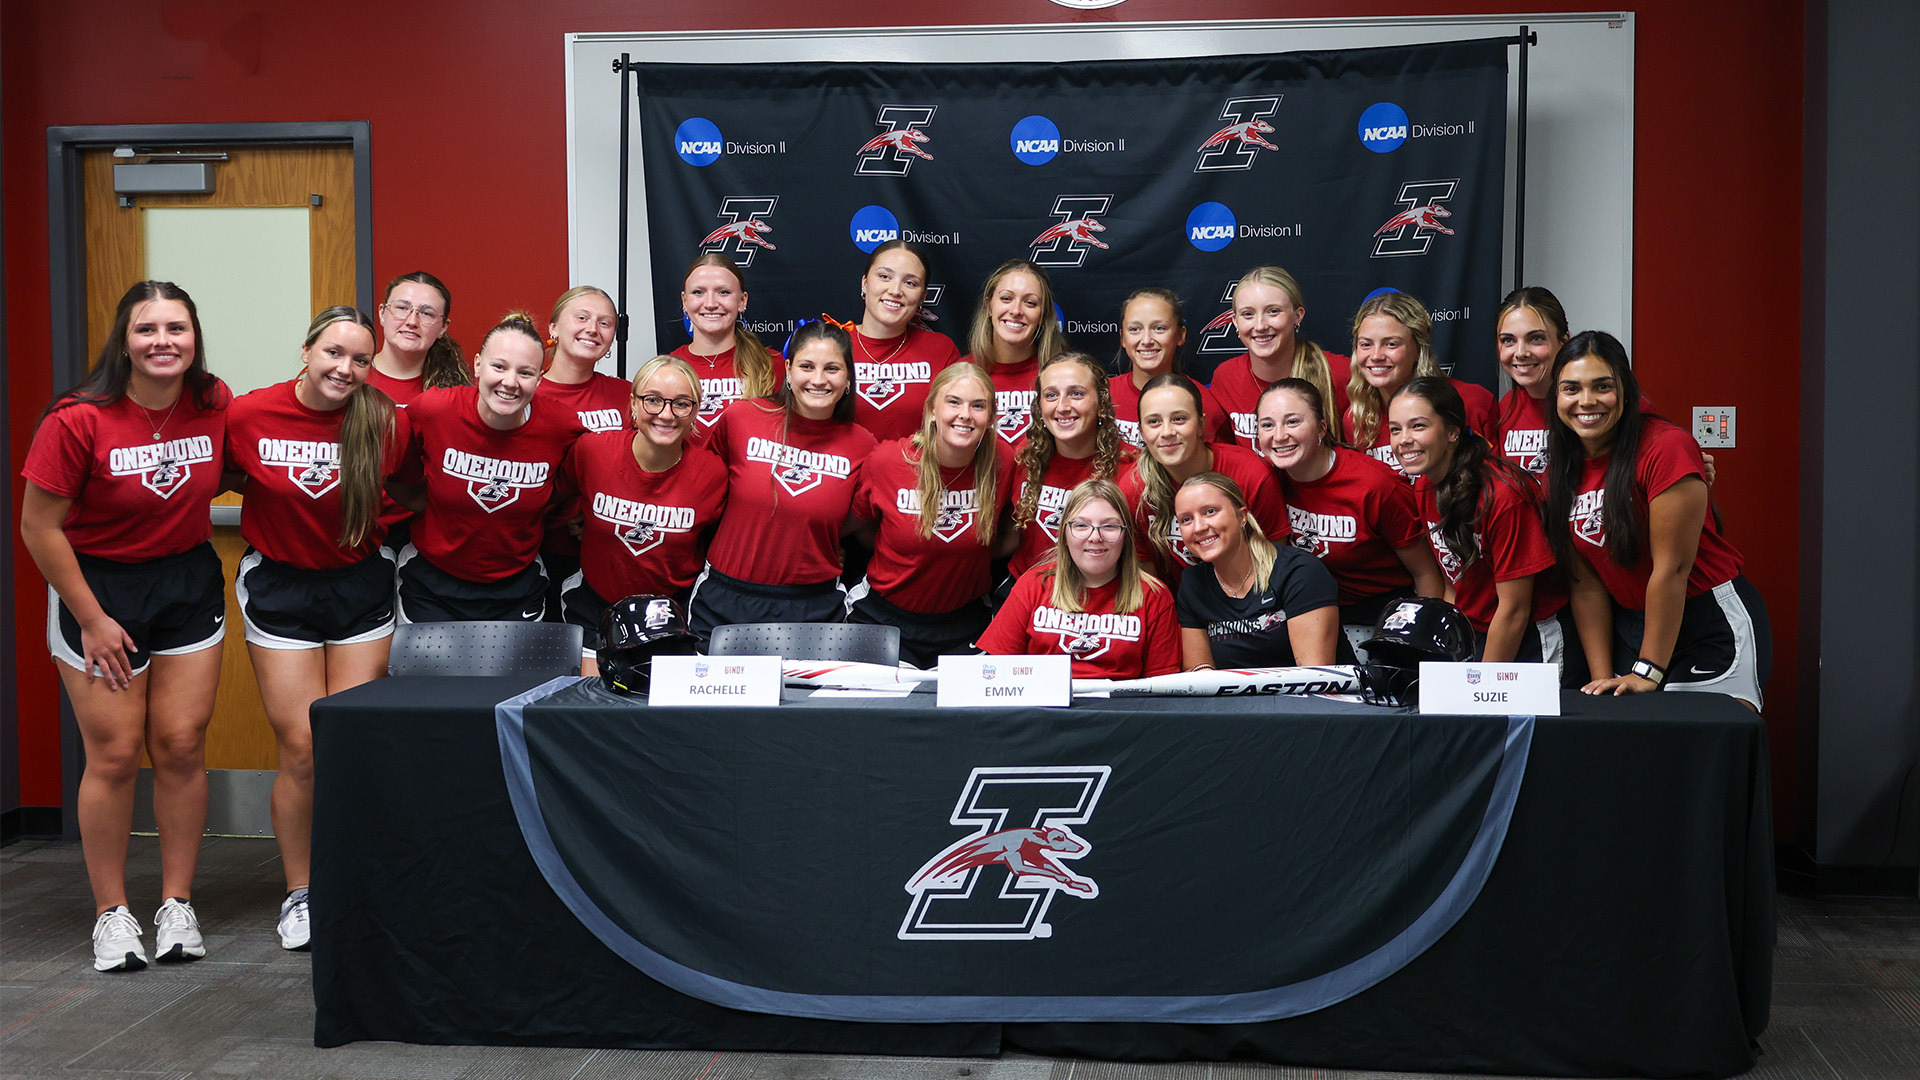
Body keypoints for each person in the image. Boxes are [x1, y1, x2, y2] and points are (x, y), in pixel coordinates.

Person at [20, 281, 231, 971]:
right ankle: (112, 914)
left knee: (178, 744)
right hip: (99, 590)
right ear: (124, 339)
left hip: (186, 582)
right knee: (113, 754)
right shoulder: (77, 418)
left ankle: (177, 904)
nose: (163, 341)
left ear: (195, 336)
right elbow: (38, 526)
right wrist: (92, 618)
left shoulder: (213, 402)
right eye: (148, 329)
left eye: (177, 327)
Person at [224, 307, 407, 951]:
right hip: (281, 587)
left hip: (358, 585)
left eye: (361, 359)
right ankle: (301, 892)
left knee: (352, 740)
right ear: (305, 351)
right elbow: (212, 474)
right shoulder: (248, 415)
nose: (346, 369)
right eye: (334, 353)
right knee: (302, 746)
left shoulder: (383, 420)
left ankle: (357, 881)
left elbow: (410, 487)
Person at [1543, 331, 1769, 708]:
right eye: (1571, 388)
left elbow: (1672, 571)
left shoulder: (1666, 447)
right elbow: (1586, 586)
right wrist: (1601, 678)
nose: (1586, 401)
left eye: (1602, 386)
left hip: (1705, 621)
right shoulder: (1559, 472)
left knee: (1702, 755)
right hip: (1633, 626)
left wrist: (1648, 670)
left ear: (1626, 391)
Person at [392, 313, 586, 622]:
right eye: (499, 367)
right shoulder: (434, 410)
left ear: (539, 378)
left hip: (517, 584)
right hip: (431, 580)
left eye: (525, 373)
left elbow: (582, 476)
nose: (510, 382)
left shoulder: (561, 426)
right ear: (478, 364)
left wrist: (579, 513)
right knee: (425, 672)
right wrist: (418, 499)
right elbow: (394, 467)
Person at [689, 320, 877, 640]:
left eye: (832, 368)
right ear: (788, 371)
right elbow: (702, 490)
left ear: (848, 378)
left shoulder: (863, 445)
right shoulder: (742, 418)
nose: (818, 379)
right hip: (725, 597)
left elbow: (855, 521)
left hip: (812, 606)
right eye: (806, 366)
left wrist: (812, 537)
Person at [558, 355, 727, 674]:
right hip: (594, 605)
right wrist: (581, 517)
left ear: (695, 412)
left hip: (673, 615)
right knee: (594, 706)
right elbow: (550, 498)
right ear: (633, 405)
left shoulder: (712, 473)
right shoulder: (593, 451)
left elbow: (729, 537)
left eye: (681, 403)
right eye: (653, 400)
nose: (666, 414)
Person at [1387, 376, 1571, 668]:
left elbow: (1514, 609)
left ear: (1451, 433)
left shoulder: (1502, 495)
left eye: (1418, 425)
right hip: (1474, 632)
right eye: (1395, 429)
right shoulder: (1424, 485)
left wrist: (1481, 684)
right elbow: (1452, 580)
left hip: (1528, 637)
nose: (1403, 439)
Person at [1254, 378, 1444, 652]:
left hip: (1381, 616)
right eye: (1267, 425)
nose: (1279, 435)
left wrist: (1417, 646)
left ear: (1321, 428)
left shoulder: (1376, 486)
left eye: (1293, 422)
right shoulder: (1266, 481)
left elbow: (1426, 573)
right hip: (1308, 612)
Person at [848, 363, 1011, 667]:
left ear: (990, 418)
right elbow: (857, 527)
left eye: (978, 405)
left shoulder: (1003, 462)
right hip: (883, 619)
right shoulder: (889, 460)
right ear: (932, 410)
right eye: (953, 402)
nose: (965, 414)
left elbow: (1014, 533)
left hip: (964, 624)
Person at [977, 478, 1180, 679]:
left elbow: (1162, 687)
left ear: (1126, 536)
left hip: (1120, 709)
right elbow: (996, 671)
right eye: (1081, 525)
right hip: (1044, 708)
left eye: (1109, 526)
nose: (1095, 537)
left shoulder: (1154, 595)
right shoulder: (1033, 585)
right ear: (1064, 533)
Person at [1172, 472, 1343, 670]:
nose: (1199, 527)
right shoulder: (1193, 583)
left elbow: (1314, 677)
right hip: (1235, 700)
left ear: (1242, 516)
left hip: (1313, 696)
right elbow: (1200, 676)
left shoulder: (1299, 571)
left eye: (1210, 511)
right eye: (1186, 519)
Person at [1133, 373, 1288, 589]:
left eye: (1179, 418)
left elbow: (1277, 560)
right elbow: (1149, 584)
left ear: (1201, 424)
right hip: (1182, 607)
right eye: (1153, 422)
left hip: (1255, 601)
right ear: (1141, 431)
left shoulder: (1251, 474)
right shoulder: (1135, 489)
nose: (1167, 432)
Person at [535, 286, 633, 622]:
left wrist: (599, 517)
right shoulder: (523, 391)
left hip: (614, 555)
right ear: (552, 328)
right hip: (541, 555)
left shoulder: (627, 395)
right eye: (581, 317)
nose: (593, 328)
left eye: (605, 323)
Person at [1007, 352, 1139, 580]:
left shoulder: (1131, 467)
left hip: (1098, 598)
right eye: (1051, 395)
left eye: (1076, 394)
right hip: (1028, 590)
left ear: (1101, 403)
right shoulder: (1025, 456)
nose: (1062, 406)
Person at [1344, 290, 1497, 476]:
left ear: (1418, 350)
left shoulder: (1471, 401)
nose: (1376, 356)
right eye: (1366, 344)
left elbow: (1496, 484)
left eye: (1391, 344)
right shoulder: (1356, 417)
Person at [365, 271, 465, 552]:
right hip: (354, 530)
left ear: (443, 326)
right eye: (402, 308)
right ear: (383, 313)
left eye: (426, 313)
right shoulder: (346, 376)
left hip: (424, 535)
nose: (411, 321)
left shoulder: (456, 394)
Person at [1204, 266, 1350, 453]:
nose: (1260, 326)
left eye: (1273, 311)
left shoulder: (1337, 372)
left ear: (1297, 316)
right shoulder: (1226, 377)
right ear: (1235, 322)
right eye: (1248, 314)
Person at [846, 239, 961, 442]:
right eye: (884, 276)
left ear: (923, 295)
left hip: (915, 470)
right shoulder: (832, 345)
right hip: (846, 470)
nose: (895, 290)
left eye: (910, 283)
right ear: (865, 283)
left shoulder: (940, 350)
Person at [673, 253, 780, 447]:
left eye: (723, 292)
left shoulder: (773, 365)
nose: (711, 303)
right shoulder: (668, 370)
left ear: (742, 301)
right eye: (698, 292)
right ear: (684, 301)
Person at [1107, 287, 1231, 447]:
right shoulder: (1103, 395)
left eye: (1159, 328)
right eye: (1135, 329)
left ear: (1180, 335)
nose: (1146, 340)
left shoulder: (1203, 402)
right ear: (1123, 338)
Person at [963, 258, 1063, 447]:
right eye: (1006, 298)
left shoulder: (1065, 376)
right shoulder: (961, 374)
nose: (1016, 310)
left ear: (1043, 315)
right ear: (988, 305)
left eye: (1030, 303)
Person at [1492, 286, 1570, 475]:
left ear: (1564, 341)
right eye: (1508, 340)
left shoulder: (1588, 406)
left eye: (1536, 338)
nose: (1521, 353)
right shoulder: (1502, 411)